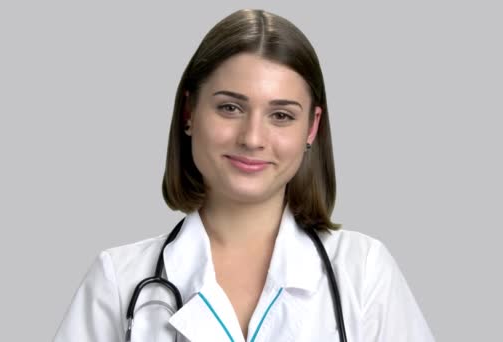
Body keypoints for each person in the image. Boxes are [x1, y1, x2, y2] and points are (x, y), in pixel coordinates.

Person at [53, 9, 435, 342]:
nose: (252, 138)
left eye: (281, 115)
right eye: (230, 108)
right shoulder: (119, 281)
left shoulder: (363, 271)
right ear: (189, 113)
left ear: (311, 128)